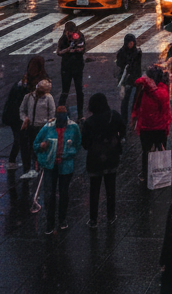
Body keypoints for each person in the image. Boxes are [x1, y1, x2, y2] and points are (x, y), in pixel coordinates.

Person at [80, 91, 126, 227]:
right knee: (110, 188)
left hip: (95, 160)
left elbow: (85, 144)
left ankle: (93, 219)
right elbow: (122, 130)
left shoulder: (89, 123)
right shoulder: (114, 115)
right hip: (111, 157)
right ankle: (111, 216)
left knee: (94, 190)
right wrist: (116, 141)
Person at [35, 103, 81, 234]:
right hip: (51, 165)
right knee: (52, 194)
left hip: (64, 166)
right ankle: (53, 221)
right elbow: (36, 144)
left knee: (62, 193)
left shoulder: (73, 127)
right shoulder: (49, 127)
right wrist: (42, 146)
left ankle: (59, 220)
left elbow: (77, 144)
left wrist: (69, 153)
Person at [133, 66, 171, 182]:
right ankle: (146, 173)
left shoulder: (162, 90)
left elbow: (162, 99)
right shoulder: (145, 88)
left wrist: (152, 88)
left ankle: (159, 172)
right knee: (146, 151)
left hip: (158, 127)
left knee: (159, 150)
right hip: (146, 127)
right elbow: (137, 81)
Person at [57, 20, 86, 122]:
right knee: (65, 90)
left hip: (77, 66)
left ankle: (80, 114)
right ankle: (60, 112)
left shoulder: (79, 35)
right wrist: (68, 50)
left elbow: (84, 48)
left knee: (79, 90)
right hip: (66, 67)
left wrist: (79, 50)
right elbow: (58, 52)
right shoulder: (63, 39)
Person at [115, 33, 143, 123]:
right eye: (129, 43)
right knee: (125, 100)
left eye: (132, 43)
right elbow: (119, 64)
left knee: (137, 99)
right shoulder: (121, 52)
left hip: (135, 76)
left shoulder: (137, 52)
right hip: (126, 77)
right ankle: (124, 119)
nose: (131, 44)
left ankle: (134, 118)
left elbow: (138, 66)